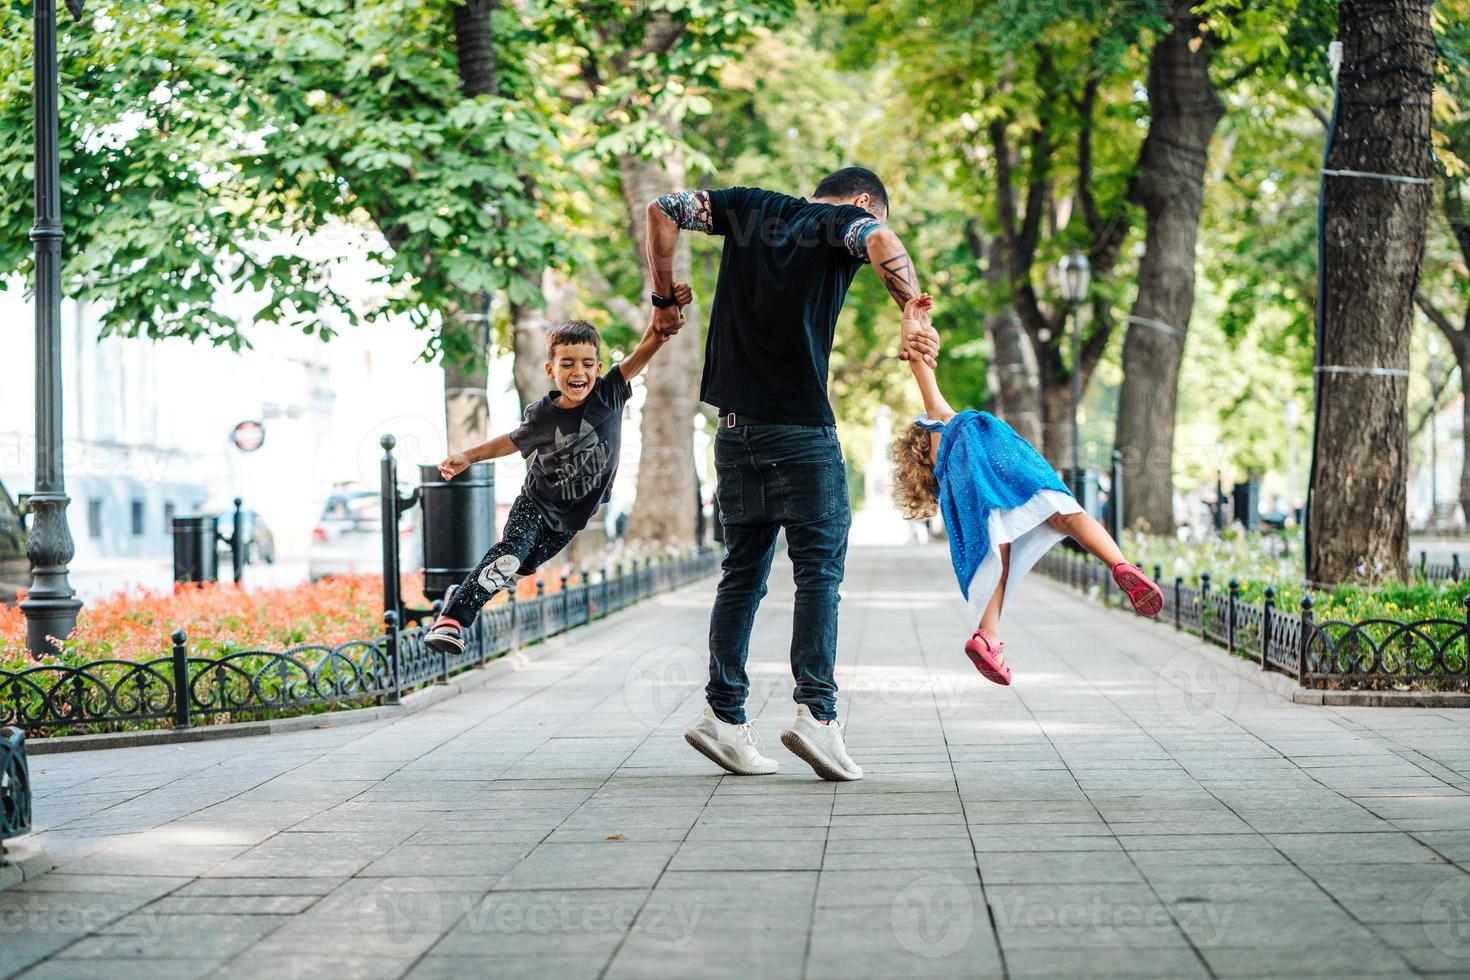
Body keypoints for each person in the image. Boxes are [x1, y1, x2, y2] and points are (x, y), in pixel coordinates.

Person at [645, 167, 941, 781]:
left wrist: (663, 299)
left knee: (742, 575)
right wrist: (912, 310)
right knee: (818, 576)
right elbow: (882, 244)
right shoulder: (844, 222)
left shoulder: (748, 206)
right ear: (865, 202)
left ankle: (722, 717)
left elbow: (663, 209)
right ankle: (817, 716)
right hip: (801, 432)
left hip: (734, 432)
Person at [890, 294, 1163, 685]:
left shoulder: (943, 465)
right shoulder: (942, 422)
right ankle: (1120, 564)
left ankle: (989, 636)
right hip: (1006, 460)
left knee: (993, 548)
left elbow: (918, 363)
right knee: (1065, 511)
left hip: (975, 487)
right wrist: (910, 322)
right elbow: (921, 367)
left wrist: (910, 329)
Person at [423, 287, 692, 654]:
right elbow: (512, 441)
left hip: (572, 518)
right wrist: (469, 455)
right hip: (535, 504)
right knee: (510, 556)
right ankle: (453, 619)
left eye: (586, 363)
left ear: (598, 368)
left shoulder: (610, 392)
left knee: (520, 569)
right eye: (567, 363)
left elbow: (649, 343)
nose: (577, 371)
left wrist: (665, 311)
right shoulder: (543, 414)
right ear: (551, 369)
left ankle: (467, 588)